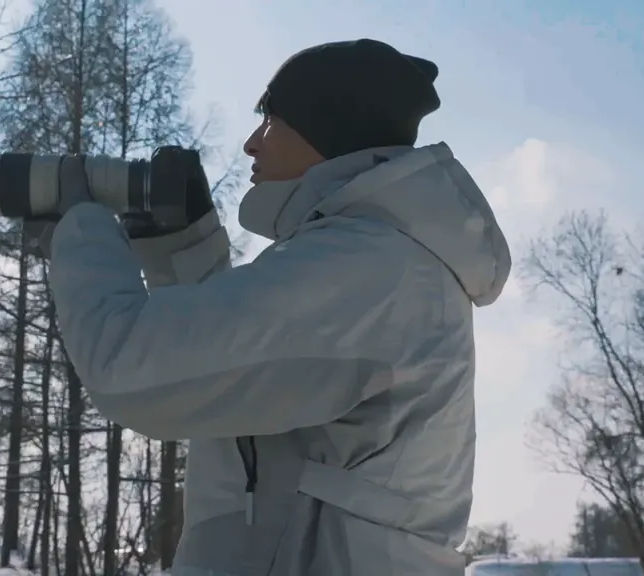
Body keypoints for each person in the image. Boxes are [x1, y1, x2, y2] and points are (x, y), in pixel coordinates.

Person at [44, 39, 512, 576]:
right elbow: (245, 399)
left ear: (327, 126)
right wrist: (184, 248)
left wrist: (78, 228)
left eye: (270, 117)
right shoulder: (382, 263)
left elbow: (128, 368)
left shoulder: (366, 267)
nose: (251, 142)